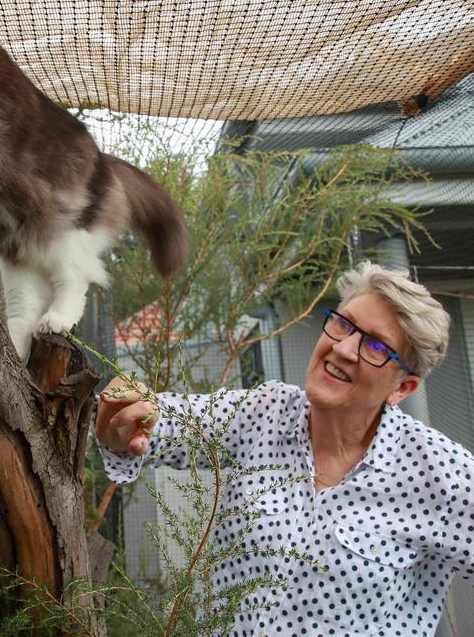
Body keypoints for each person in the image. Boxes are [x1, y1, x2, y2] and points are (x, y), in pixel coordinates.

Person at [96, 261, 474, 636]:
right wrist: (130, 418)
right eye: (343, 323)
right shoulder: (264, 412)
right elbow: (168, 422)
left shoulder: (443, 475)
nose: (342, 348)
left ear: (401, 388)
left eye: (375, 346)